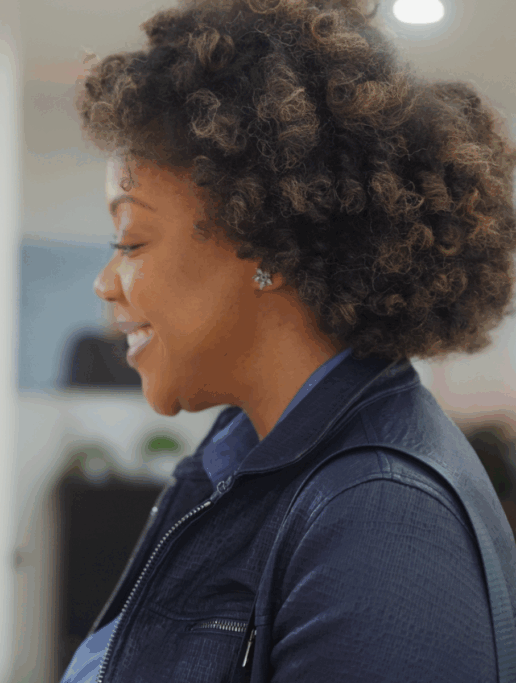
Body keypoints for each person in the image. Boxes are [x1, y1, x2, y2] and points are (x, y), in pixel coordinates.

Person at [62, 0, 516, 681]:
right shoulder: (241, 463)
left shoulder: (383, 524)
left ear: (266, 242)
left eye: (131, 240)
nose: (106, 283)